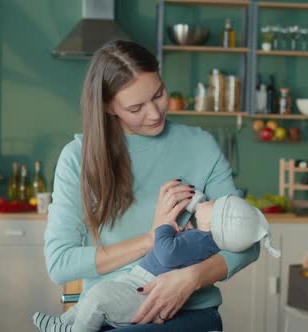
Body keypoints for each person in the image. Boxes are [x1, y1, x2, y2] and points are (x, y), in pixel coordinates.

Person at [42, 40, 260, 332]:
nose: (155, 113)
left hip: (190, 314)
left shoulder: (199, 146)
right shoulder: (77, 159)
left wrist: (192, 278)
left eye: (159, 94)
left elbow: (247, 239)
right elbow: (61, 263)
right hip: (109, 316)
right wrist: (153, 239)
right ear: (108, 107)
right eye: (135, 108)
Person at [33, 193, 280, 332]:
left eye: (211, 204)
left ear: (214, 223)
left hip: (145, 288)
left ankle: (74, 331)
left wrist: (161, 227)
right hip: (139, 280)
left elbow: (166, 253)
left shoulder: (200, 239)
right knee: (94, 296)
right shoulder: (201, 239)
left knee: (99, 299)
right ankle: (63, 325)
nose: (204, 202)